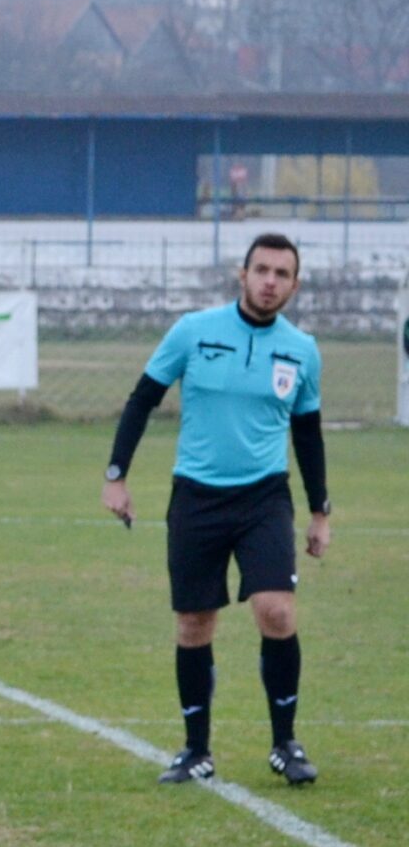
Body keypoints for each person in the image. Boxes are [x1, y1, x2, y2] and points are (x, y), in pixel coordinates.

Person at [103, 233, 330, 787]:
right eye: (262, 270)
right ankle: (195, 751)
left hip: (264, 497)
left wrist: (320, 511)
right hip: (197, 496)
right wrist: (116, 476)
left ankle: (285, 743)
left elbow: (308, 433)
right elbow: (142, 400)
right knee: (194, 623)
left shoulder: (302, 350)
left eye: (281, 274)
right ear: (242, 273)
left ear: (294, 286)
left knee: (277, 611)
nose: (270, 281)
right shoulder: (193, 331)